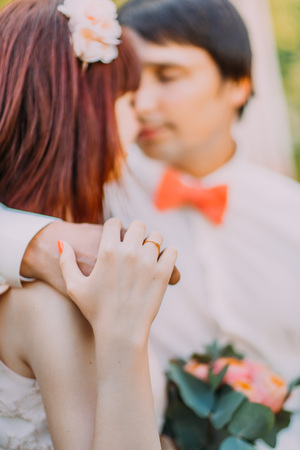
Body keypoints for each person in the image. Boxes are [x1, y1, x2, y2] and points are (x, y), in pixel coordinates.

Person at [0, 0, 299, 447]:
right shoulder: (101, 185)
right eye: (132, 84)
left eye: (168, 76)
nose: (144, 102)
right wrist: (39, 241)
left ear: (238, 85)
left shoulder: (288, 213)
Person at [0, 0, 177, 448]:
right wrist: (122, 334)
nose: (140, 122)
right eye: (129, 102)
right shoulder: (53, 299)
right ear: (83, 111)